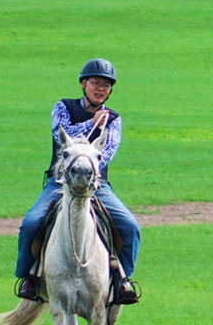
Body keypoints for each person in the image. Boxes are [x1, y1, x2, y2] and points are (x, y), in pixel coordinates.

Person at [16, 58, 141, 305]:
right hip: (60, 183)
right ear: (83, 84)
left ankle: (123, 280)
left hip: (96, 185)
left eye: (106, 85)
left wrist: (89, 166)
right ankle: (28, 277)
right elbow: (60, 136)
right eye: (95, 82)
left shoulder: (114, 119)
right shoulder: (63, 107)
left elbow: (106, 154)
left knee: (130, 225)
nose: (100, 88)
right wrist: (90, 125)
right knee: (30, 224)